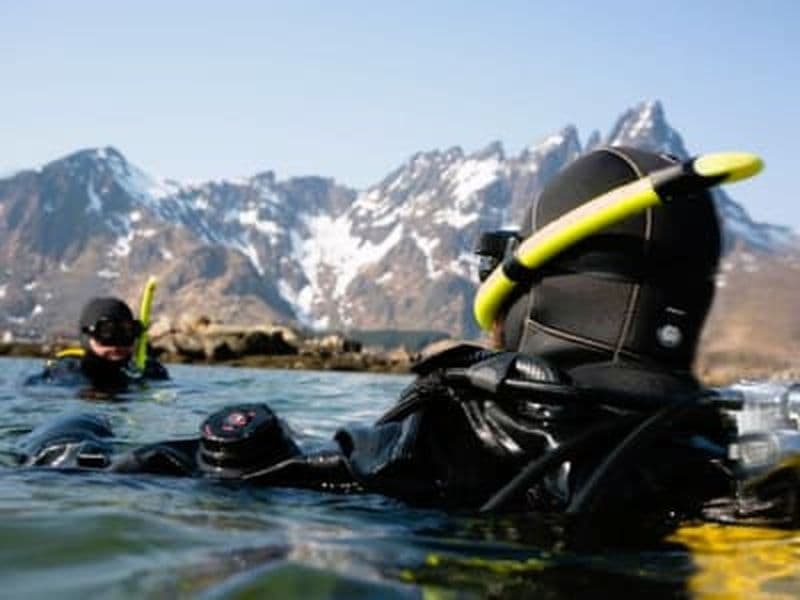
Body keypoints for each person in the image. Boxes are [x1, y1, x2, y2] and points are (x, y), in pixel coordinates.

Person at [18, 148, 793, 535]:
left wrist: (71, 454)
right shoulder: (732, 447)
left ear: (531, 274)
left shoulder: (461, 423)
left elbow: (282, 472)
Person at [26, 296, 169, 392]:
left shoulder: (148, 370)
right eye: (107, 332)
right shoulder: (68, 370)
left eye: (126, 332)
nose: (117, 343)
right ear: (87, 335)